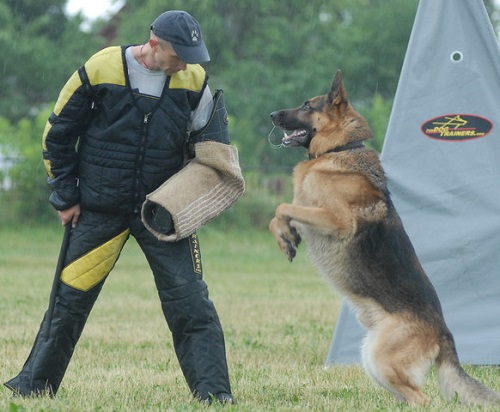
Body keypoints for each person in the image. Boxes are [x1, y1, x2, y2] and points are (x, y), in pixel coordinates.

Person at [4, 10, 234, 404]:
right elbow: (57, 134)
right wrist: (66, 196)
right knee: (69, 301)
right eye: (180, 54)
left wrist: (198, 199)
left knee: (192, 303)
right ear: (155, 44)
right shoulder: (102, 68)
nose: (187, 63)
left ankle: (215, 396)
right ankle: (33, 387)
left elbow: (211, 149)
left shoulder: (194, 81)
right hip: (98, 211)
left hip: (162, 214)